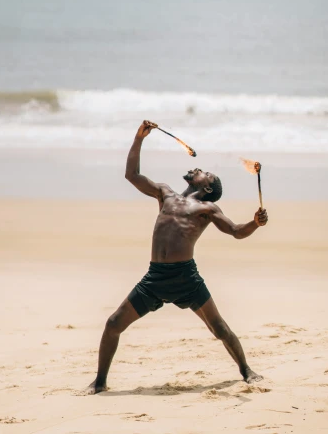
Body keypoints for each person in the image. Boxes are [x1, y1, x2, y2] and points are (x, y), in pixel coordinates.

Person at [86, 120, 268, 394]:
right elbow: (132, 175)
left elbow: (235, 231)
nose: (198, 169)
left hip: (186, 278)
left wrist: (255, 223)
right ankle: (99, 383)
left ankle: (246, 370)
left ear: (207, 187)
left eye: (204, 172)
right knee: (113, 324)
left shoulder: (207, 207)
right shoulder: (164, 194)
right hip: (155, 278)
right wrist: (139, 138)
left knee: (219, 329)